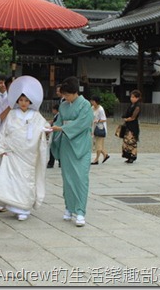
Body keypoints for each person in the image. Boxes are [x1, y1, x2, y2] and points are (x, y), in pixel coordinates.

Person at [0, 76, 50, 221]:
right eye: (21, 100)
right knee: (13, 180)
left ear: (30, 102)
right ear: (17, 101)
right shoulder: (11, 114)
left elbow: (43, 126)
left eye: (26, 101)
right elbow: (4, 132)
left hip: (28, 154)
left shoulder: (36, 115)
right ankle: (15, 206)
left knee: (27, 180)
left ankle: (25, 208)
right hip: (14, 152)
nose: (23, 103)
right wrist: (1, 148)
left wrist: (46, 130)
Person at [50, 76, 93, 227]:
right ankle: (69, 207)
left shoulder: (85, 105)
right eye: (63, 95)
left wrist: (62, 128)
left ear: (75, 92)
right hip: (66, 145)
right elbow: (59, 122)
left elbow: (83, 123)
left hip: (81, 145)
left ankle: (80, 211)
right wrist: (53, 129)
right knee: (67, 178)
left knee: (80, 178)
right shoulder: (63, 106)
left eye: (67, 94)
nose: (65, 97)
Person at [121, 90, 142, 164]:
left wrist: (127, 119)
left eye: (133, 97)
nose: (131, 98)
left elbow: (133, 117)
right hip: (128, 125)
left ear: (137, 98)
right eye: (131, 97)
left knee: (132, 141)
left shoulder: (137, 107)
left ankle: (133, 156)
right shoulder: (131, 105)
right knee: (126, 141)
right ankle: (128, 155)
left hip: (133, 125)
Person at [91, 95, 110, 165]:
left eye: (93, 101)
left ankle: (96, 159)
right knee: (96, 144)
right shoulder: (92, 108)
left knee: (98, 144)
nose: (92, 102)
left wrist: (98, 121)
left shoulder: (100, 109)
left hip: (100, 128)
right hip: (93, 128)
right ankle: (105, 155)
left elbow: (104, 119)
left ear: (96, 102)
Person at [46, 103, 59, 168]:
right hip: (54, 133)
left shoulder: (58, 116)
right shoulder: (56, 116)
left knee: (53, 148)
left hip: (56, 134)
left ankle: (51, 163)